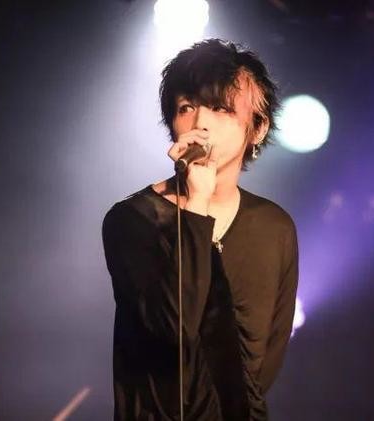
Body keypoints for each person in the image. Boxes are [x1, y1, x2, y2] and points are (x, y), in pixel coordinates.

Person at [102, 39, 299, 420]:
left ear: (258, 128)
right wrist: (197, 203)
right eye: (186, 107)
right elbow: (173, 329)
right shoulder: (132, 220)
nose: (200, 124)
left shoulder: (273, 228)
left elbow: (264, 361)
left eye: (220, 108)